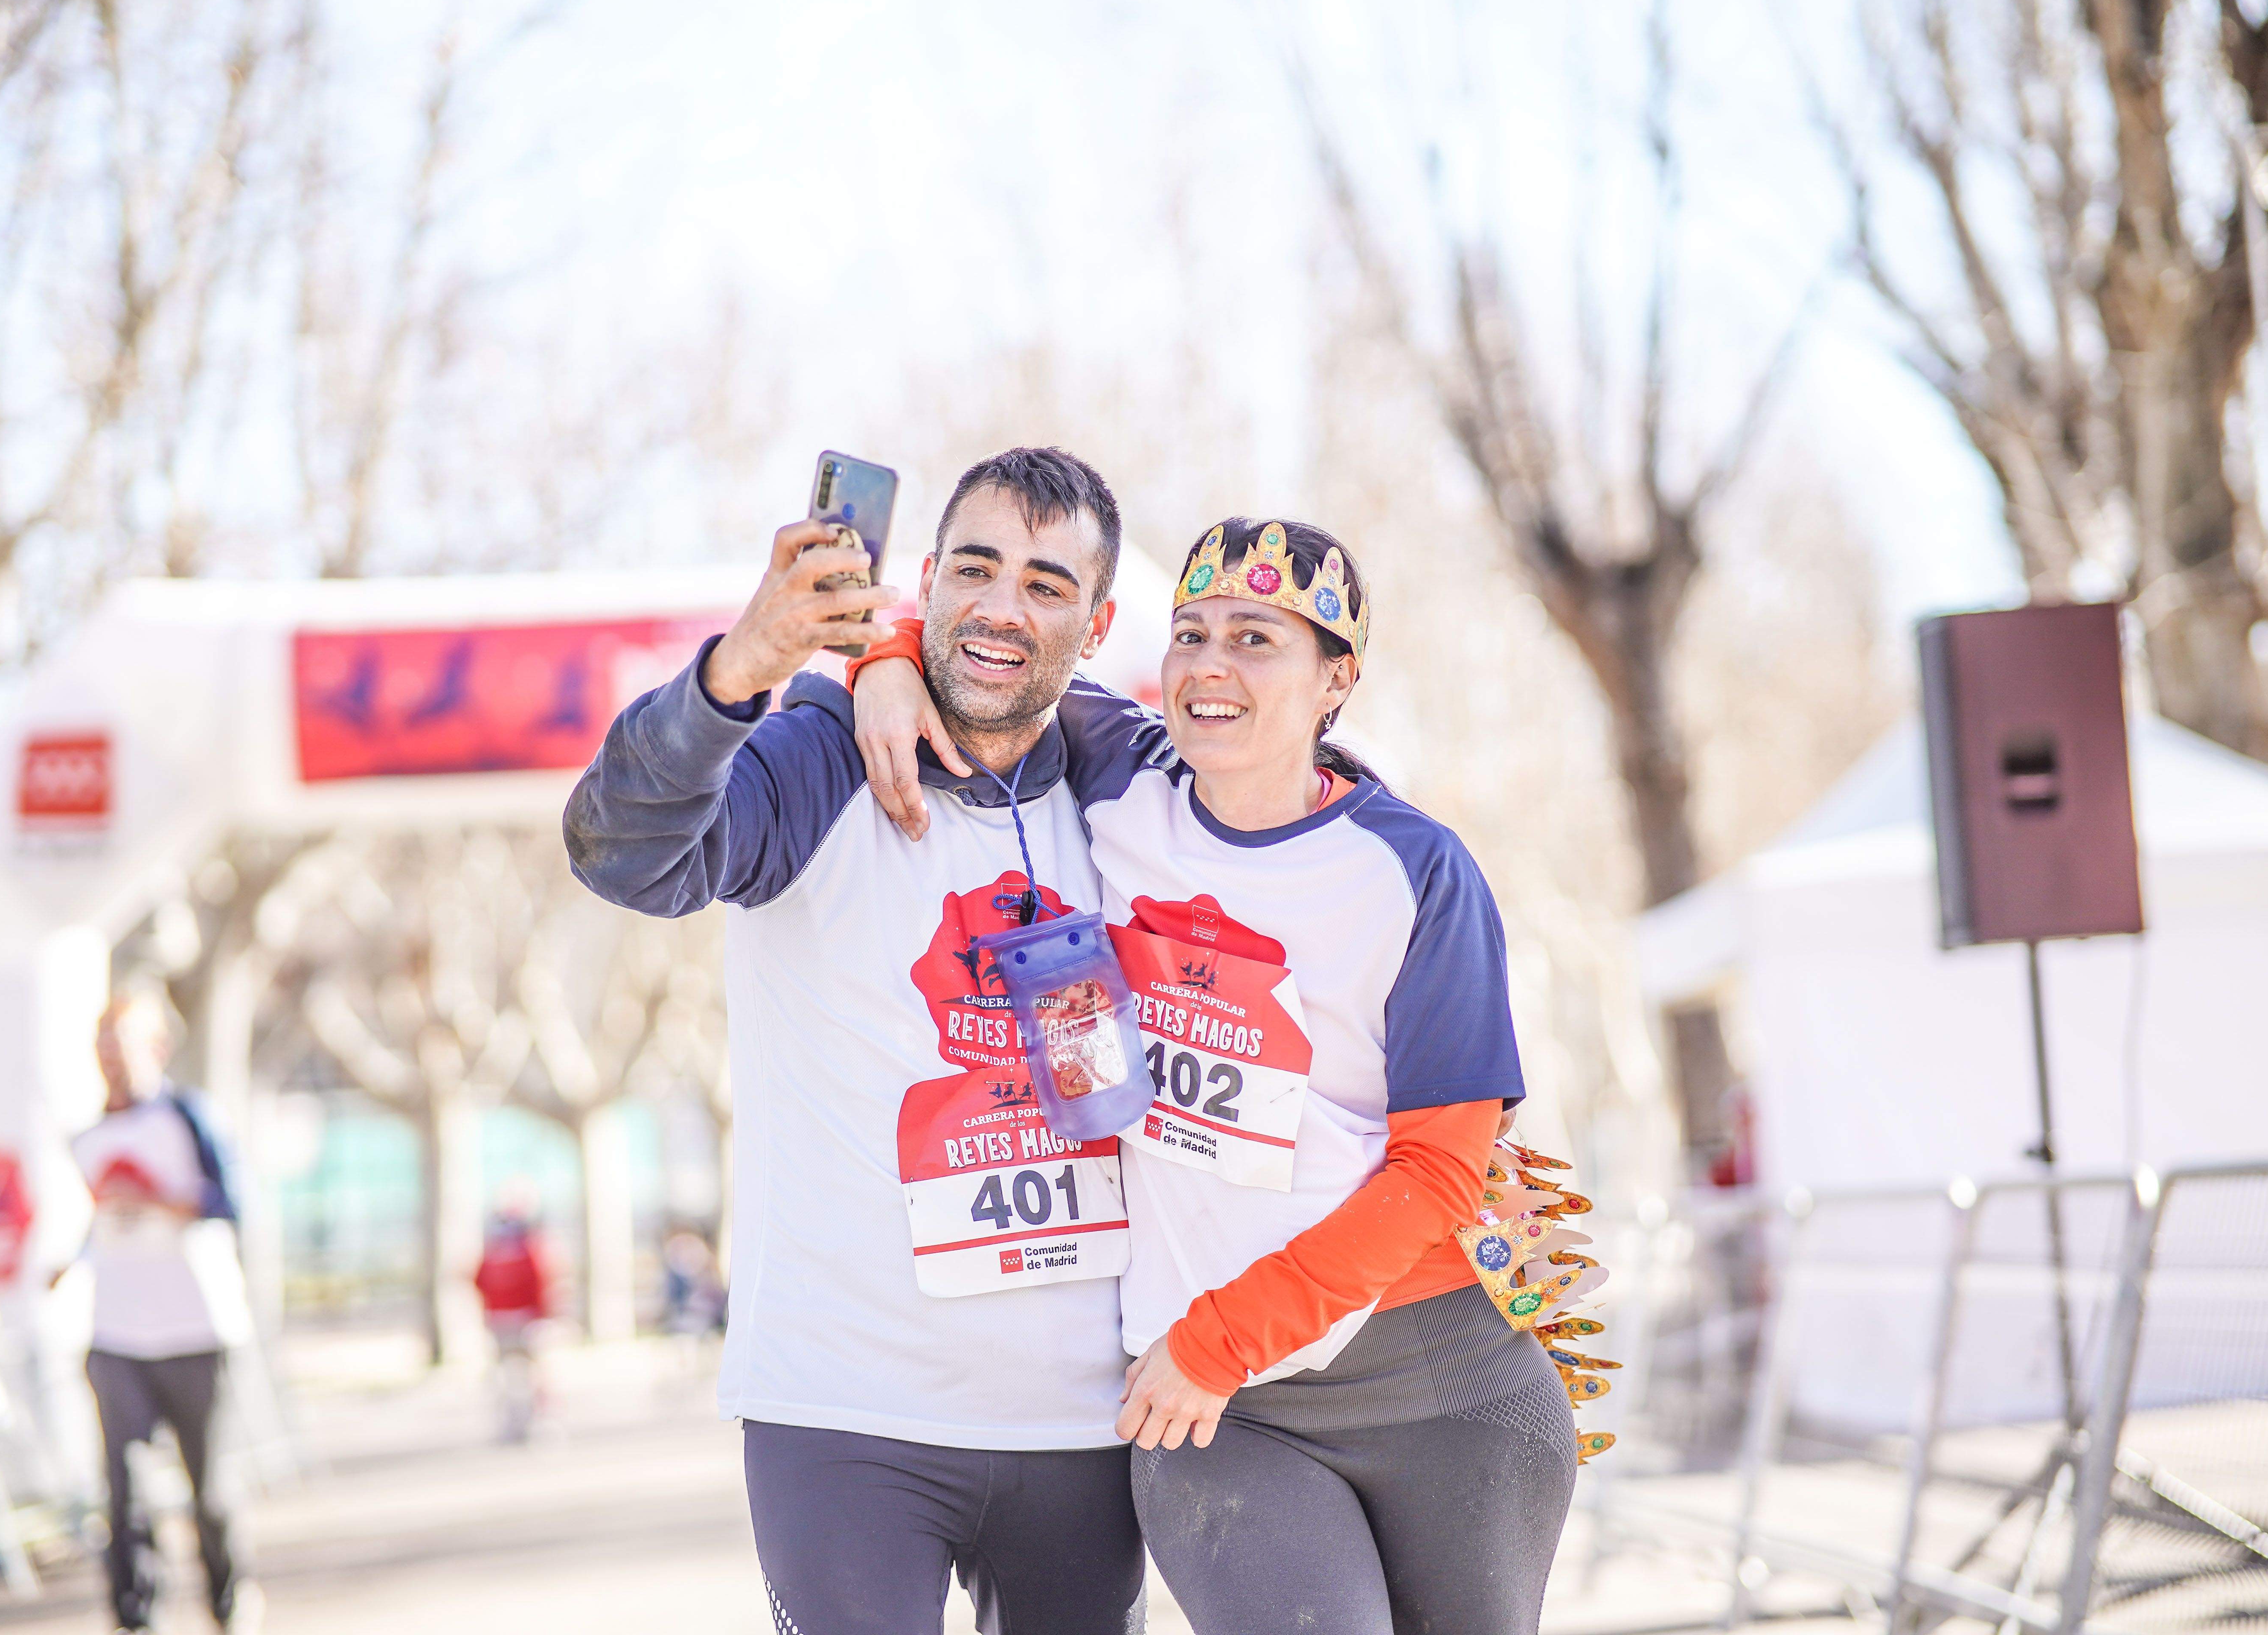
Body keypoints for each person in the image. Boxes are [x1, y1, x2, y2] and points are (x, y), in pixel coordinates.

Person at [850, 517, 1579, 1635]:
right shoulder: (1118, 776)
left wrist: (1224, 1332)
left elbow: (1439, 1172)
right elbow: (990, 655)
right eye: (1191, 634)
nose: (1209, 666)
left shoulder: (1416, 871)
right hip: (1214, 1407)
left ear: (1337, 679)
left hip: (1441, 1382)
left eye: (1256, 639)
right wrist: (889, 659)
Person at [562, 448, 1146, 1635]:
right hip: (848, 1424)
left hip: (1091, 1428)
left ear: (1099, 621)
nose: (1000, 606)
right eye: (974, 569)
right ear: (925, 581)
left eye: (1046, 584)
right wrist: (748, 670)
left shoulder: (1129, 790)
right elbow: (621, 850)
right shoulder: (818, 756)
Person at [64, 987, 261, 1635]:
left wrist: (160, 1200)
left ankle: (230, 1603)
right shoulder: (87, 1135)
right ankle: (134, 1617)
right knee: (125, 1495)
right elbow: (94, 1221)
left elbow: (233, 1202)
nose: (111, 1063)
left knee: (209, 1493)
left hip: (199, 1329)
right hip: (118, 1334)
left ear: (156, 1049)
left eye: (122, 1048)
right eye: (102, 1050)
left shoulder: (189, 1116)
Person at [474, 1182, 558, 1443]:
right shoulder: (528, 1248)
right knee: (524, 1375)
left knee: (520, 1375)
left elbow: (480, 1282)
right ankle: (531, 1422)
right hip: (518, 1319)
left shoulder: (503, 1250)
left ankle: (527, 1422)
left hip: (511, 1320)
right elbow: (542, 1282)